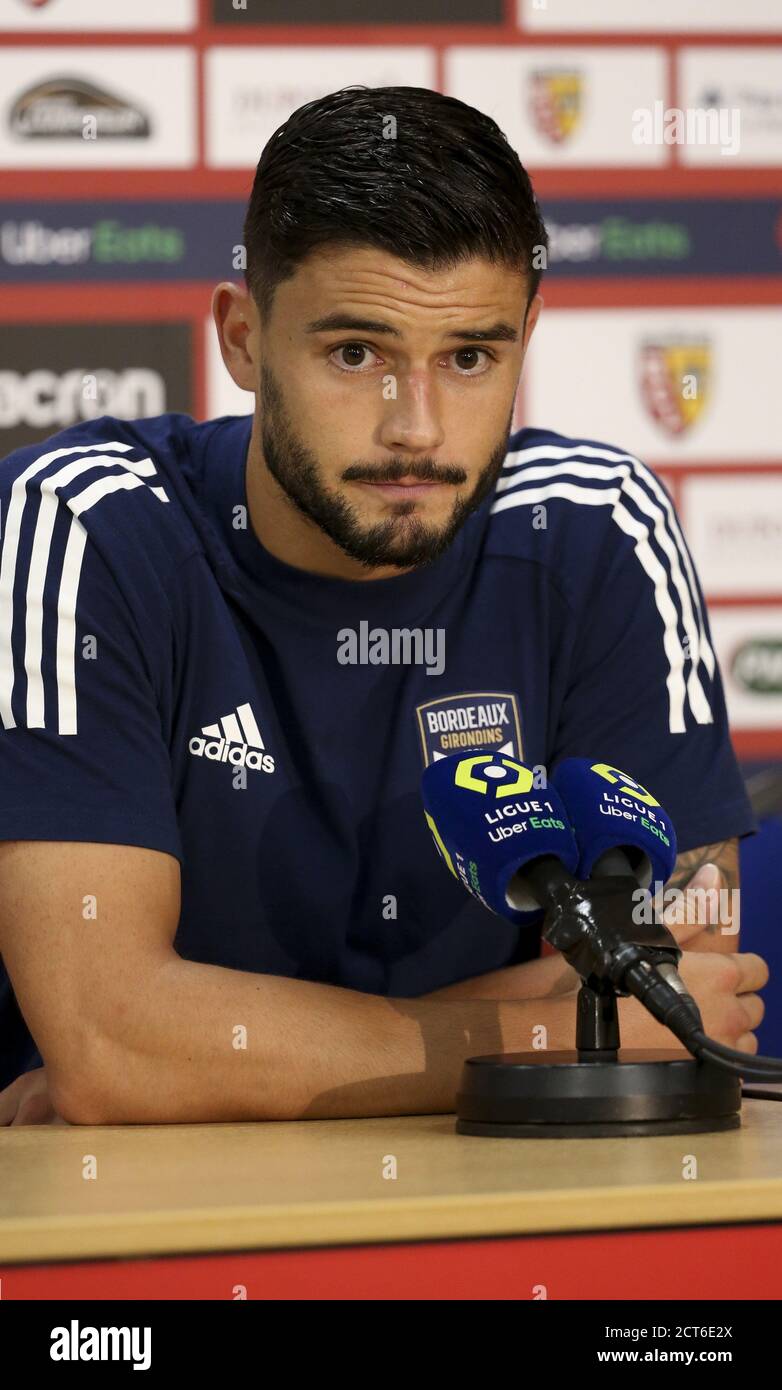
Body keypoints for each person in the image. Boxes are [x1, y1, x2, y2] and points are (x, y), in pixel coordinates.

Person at [0, 86, 767, 1125]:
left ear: (524, 341)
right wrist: (544, 1034)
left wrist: (201, 1061)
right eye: (354, 353)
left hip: (499, 1207)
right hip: (151, 1224)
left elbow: (681, 977)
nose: (416, 428)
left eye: (468, 357)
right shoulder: (85, 524)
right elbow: (112, 1040)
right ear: (241, 337)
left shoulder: (595, 527)